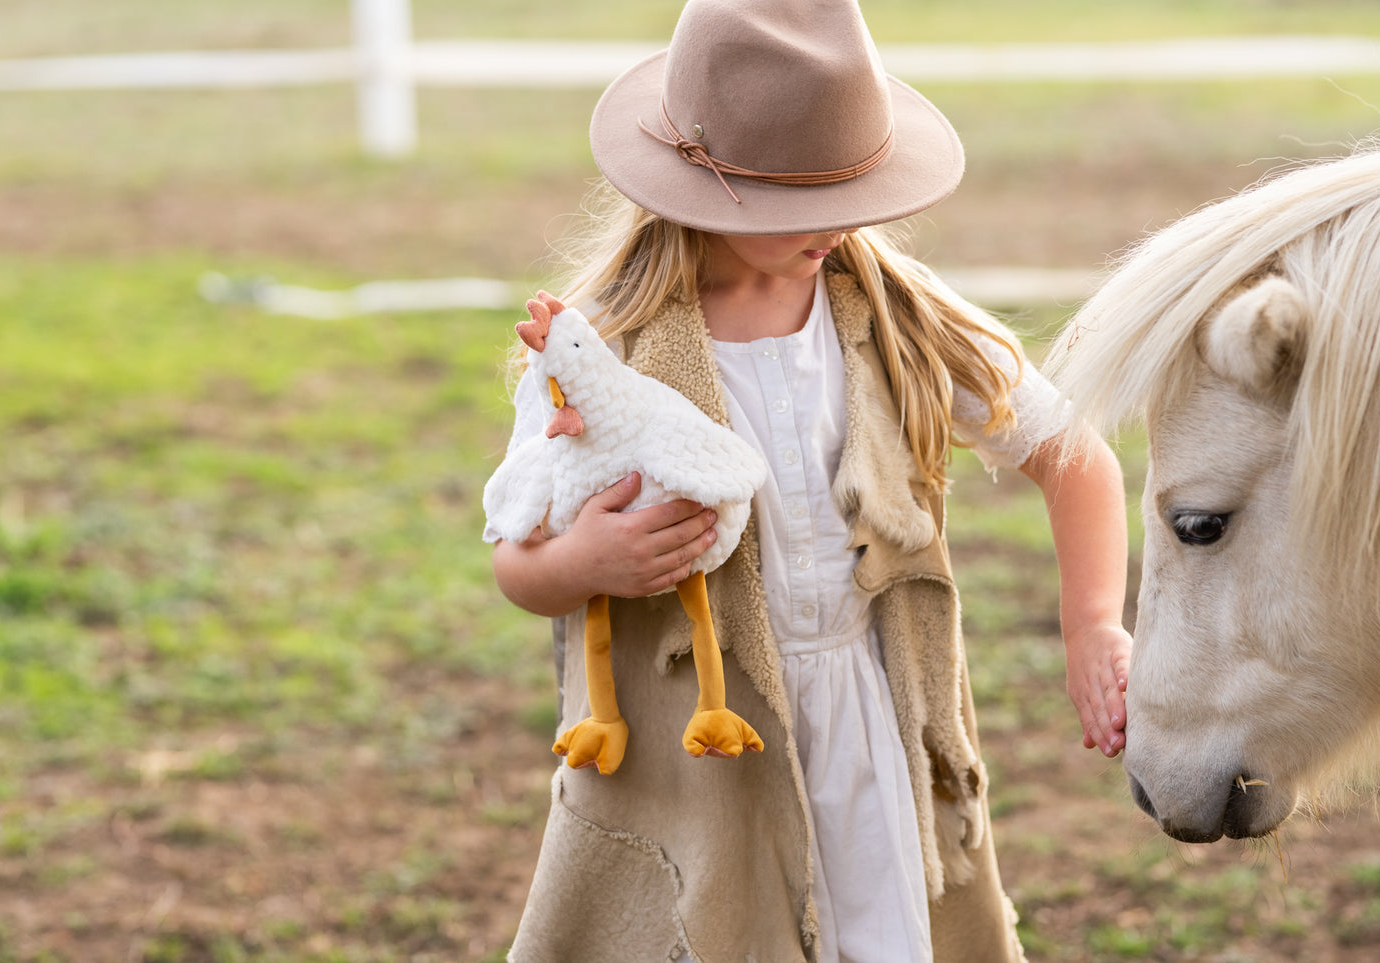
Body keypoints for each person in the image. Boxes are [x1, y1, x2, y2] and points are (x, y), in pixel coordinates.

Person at [485, 1, 1132, 960]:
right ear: (702, 189)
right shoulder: (596, 349)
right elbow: (517, 561)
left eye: (850, 194)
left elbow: (1070, 455)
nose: (840, 227)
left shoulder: (896, 313)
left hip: (869, 715)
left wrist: (1092, 623)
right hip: (702, 747)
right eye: (801, 206)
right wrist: (585, 559)